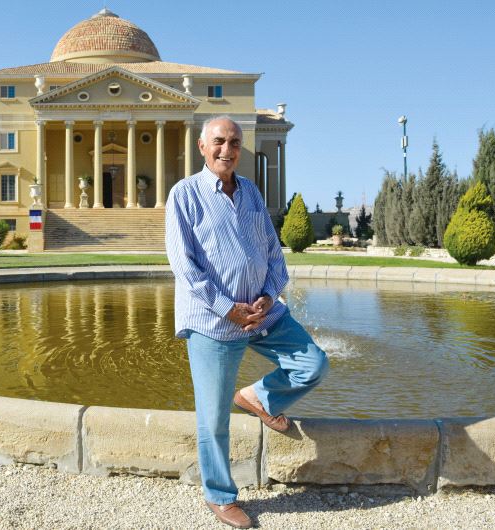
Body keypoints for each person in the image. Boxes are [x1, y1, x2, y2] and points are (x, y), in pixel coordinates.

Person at [165, 116, 329, 529]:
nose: (227, 149)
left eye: (234, 142)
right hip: (213, 321)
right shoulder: (184, 195)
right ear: (202, 147)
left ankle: (259, 398)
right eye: (219, 141)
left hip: (263, 312)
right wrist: (228, 308)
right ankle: (219, 496)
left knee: (313, 364)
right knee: (213, 417)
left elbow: (274, 253)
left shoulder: (252, 192)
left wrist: (268, 296)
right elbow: (185, 267)